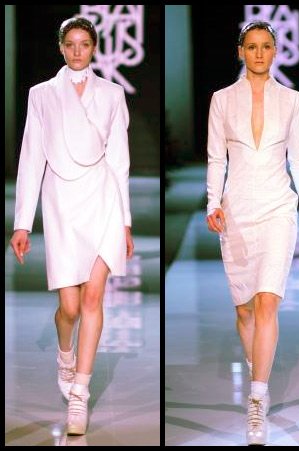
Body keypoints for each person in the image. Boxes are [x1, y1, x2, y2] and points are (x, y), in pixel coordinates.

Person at [9, 17, 133, 436]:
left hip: (102, 199)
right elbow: (31, 157)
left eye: (85, 44)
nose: (78, 51)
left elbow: (119, 159)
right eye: (71, 44)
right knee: (70, 307)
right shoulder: (42, 94)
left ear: (94, 48)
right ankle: (65, 354)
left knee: (94, 297)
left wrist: (126, 221)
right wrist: (22, 223)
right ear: (61, 48)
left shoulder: (112, 93)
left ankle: (80, 392)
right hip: (61, 201)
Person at [204, 20, 299, 446]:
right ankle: (259, 373)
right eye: (251, 46)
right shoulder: (221, 99)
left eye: (266, 46)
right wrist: (212, 203)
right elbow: (216, 158)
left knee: (268, 301)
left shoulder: (292, 100)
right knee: (245, 311)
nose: (258, 53)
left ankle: (257, 398)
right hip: (237, 211)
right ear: (240, 51)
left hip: (277, 208)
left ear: (275, 51)